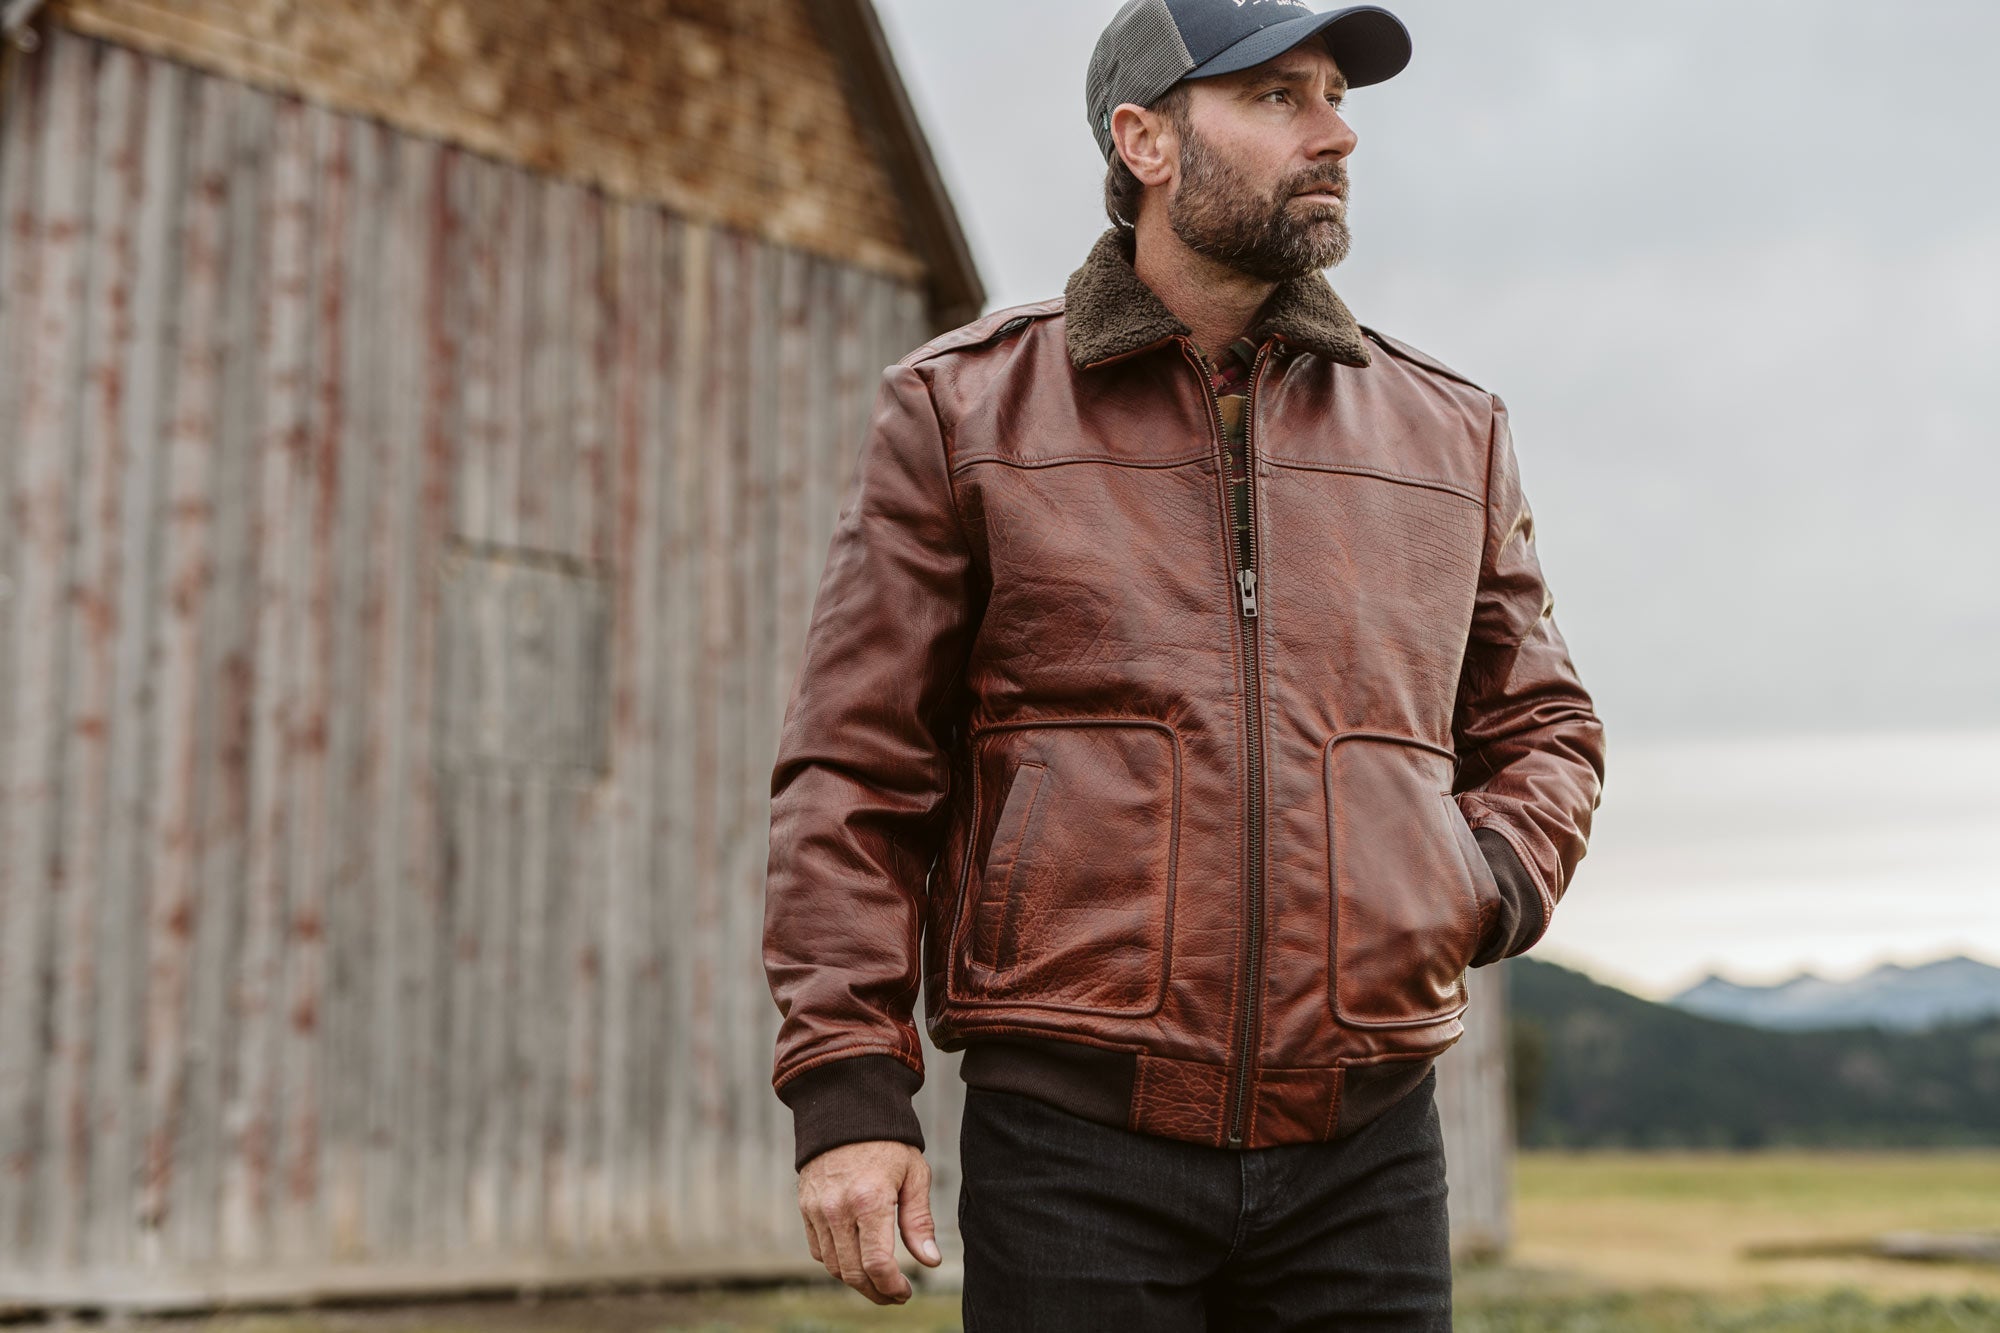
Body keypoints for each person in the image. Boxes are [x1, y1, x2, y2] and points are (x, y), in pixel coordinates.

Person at [761, 1, 1607, 1326]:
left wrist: (1480, 883)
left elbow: (1545, 725)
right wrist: (850, 1089)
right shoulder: (962, 410)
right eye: (1276, 97)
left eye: (1335, 96)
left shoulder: (1450, 433)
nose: (1335, 134)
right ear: (1145, 141)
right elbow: (857, 770)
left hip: (1369, 1152)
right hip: (1074, 1152)